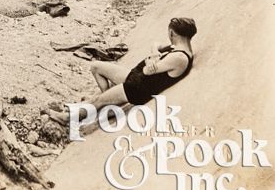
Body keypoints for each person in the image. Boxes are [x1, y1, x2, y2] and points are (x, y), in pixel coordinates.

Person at [49, 17, 196, 131]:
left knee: (97, 101)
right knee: (96, 67)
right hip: (135, 78)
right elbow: (155, 44)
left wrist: (152, 59)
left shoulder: (179, 58)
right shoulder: (178, 48)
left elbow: (147, 71)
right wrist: (155, 53)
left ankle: (67, 118)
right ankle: (110, 105)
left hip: (138, 88)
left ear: (172, 33)